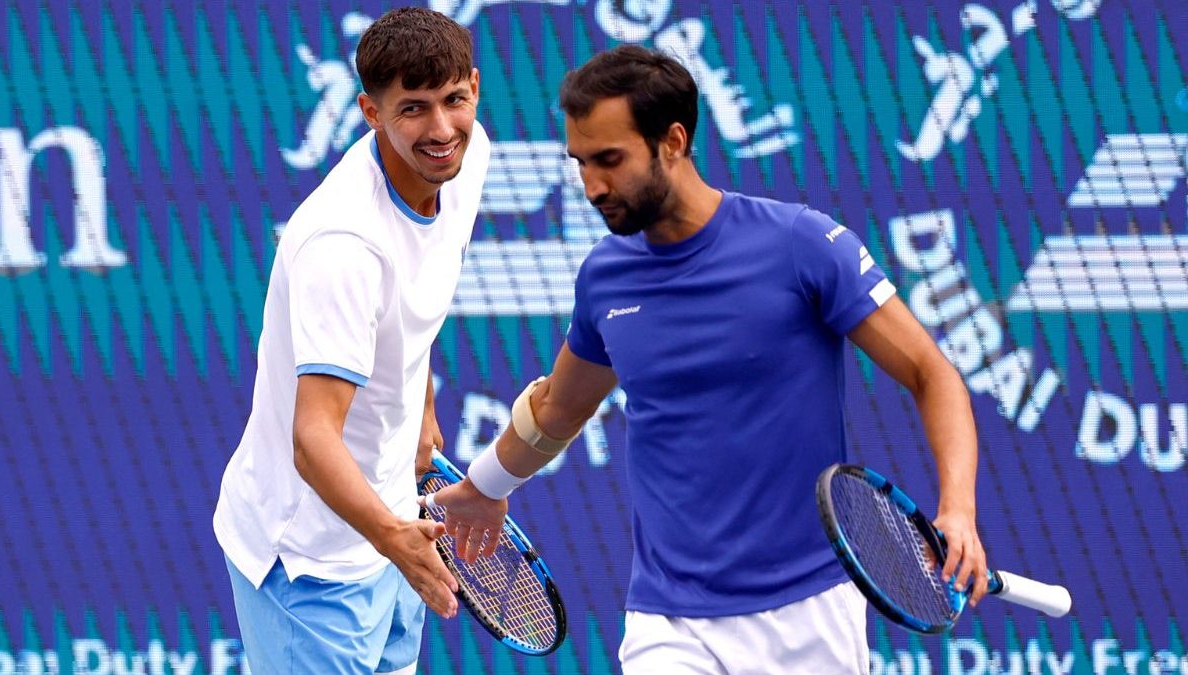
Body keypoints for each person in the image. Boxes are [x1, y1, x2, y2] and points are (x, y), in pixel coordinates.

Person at [434, 45, 989, 673]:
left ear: (673, 141)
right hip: (669, 621)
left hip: (811, 613)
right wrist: (484, 487)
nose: (592, 187)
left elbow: (931, 373)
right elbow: (559, 409)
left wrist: (959, 509)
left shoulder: (804, 246)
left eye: (610, 160)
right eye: (581, 163)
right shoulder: (606, 278)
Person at [212, 8, 489, 674]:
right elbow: (313, 438)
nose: (441, 128)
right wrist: (397, 537)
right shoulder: (343, 245)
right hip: (310, 560)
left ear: (474, 88)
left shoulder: (467, 155)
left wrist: (418, 408)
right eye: (412, 109)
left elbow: (413, 302)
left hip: (391, 527)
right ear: (369, 110)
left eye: (453, 101)